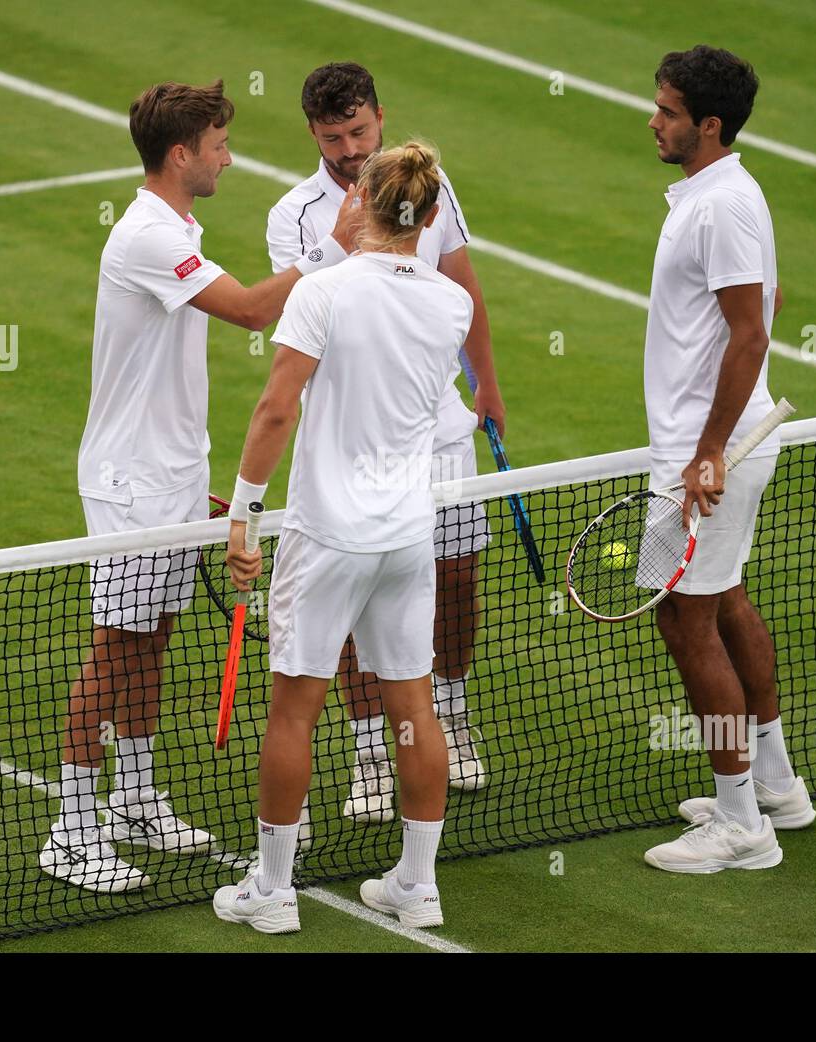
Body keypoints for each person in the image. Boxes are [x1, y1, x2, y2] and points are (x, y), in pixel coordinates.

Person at [40, 80, 359, 893]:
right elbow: (254, 312)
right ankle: (72, 832)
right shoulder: (147, 235)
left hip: (174, 473)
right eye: (218, 144)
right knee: (114, 650)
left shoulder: (177, 224)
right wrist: (335, 247)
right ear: (181, 153)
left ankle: (137, 800)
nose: (228, 155)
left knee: (150, 641)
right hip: (130, 480)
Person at [215, 141, 472, 933]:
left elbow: (275, 408)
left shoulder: (322, 294)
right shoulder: (448, 305)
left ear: (357, 202)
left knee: (294, 711)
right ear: (428, 216)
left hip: (328, 536)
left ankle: (274, 891)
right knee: (414, 707)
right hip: (405, 537)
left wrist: (245, 516)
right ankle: (417, 886)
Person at [266, 62, 504, 826]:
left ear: (379, 116)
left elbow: (465, 294)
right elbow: (307, 320)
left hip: (439, 436)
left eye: (358, 132)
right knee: (355, 601)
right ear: (312, 132)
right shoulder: (296, 217)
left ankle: (452, 715)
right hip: (350, 446)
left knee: (457, 580)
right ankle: (372, 750)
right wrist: (337, 243)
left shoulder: (424, 183)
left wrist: (486, 389)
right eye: (332, 137)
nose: (346, 148)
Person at [637, 46, 815, 874]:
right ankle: (774, 782)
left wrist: (706, 453)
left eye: (668, 111)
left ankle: (740, 822)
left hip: (708, 454)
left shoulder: (722, 208)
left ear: (708, 125)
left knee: (685, 618)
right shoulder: (715, 196)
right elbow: (764, 303)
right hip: (716, 445)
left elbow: (753, 330)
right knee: (726, 598)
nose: (654, 121)